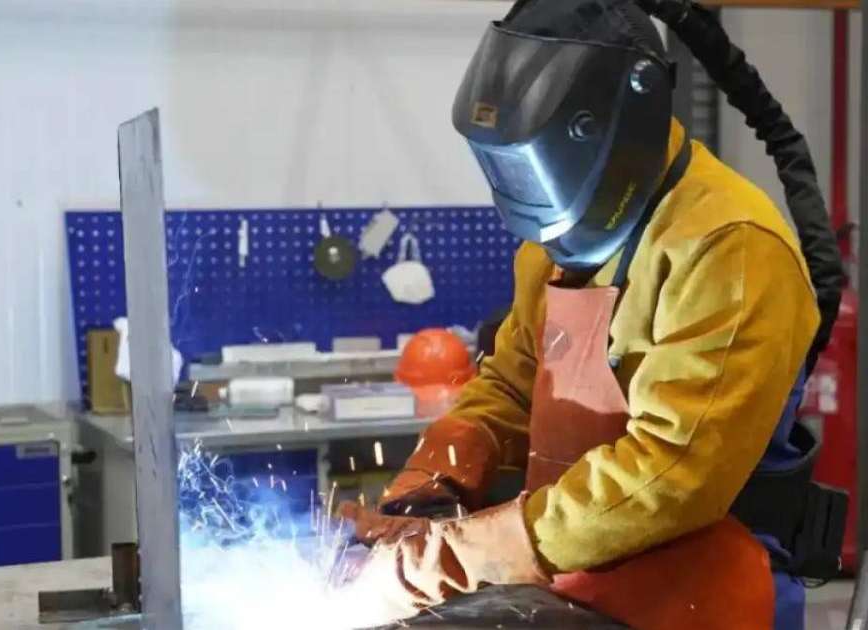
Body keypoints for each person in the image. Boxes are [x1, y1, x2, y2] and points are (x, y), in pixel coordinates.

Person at [334, 2, 828, 628]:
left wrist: (462, 555)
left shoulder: (729, 249)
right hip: (574, 577)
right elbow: (513, 387)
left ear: (615, 129)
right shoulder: (560, 245)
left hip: (703, 591)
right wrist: (433, 484)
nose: (530, 193)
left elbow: (671, 474)